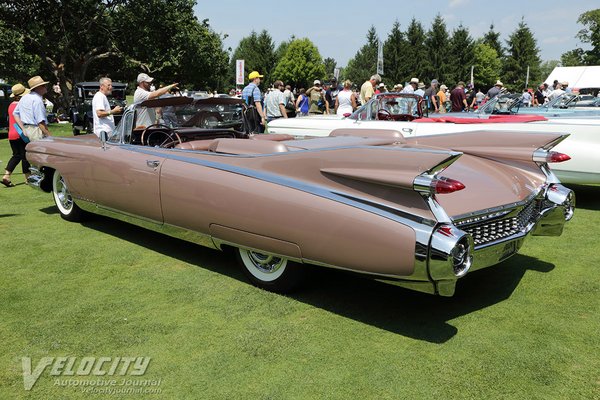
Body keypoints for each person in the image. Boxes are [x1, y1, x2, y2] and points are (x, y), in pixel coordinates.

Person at [2, 84, 30, 187]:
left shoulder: (11, 105)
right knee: (25, 156)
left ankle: (6, 175)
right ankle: (27, 178)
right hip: (20, 133)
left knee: (16, 155)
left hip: (11, 134)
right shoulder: (21, 105)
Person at [13, 76, 51, 142]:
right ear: (38, 87)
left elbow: (15, 113)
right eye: (44, 85)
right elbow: (40, 122)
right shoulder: (37, 100)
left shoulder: (24, 97)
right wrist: (50, 136)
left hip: (28, 130)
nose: (46, 87)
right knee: (41, 151)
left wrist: (23, 129)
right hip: (36, 131)